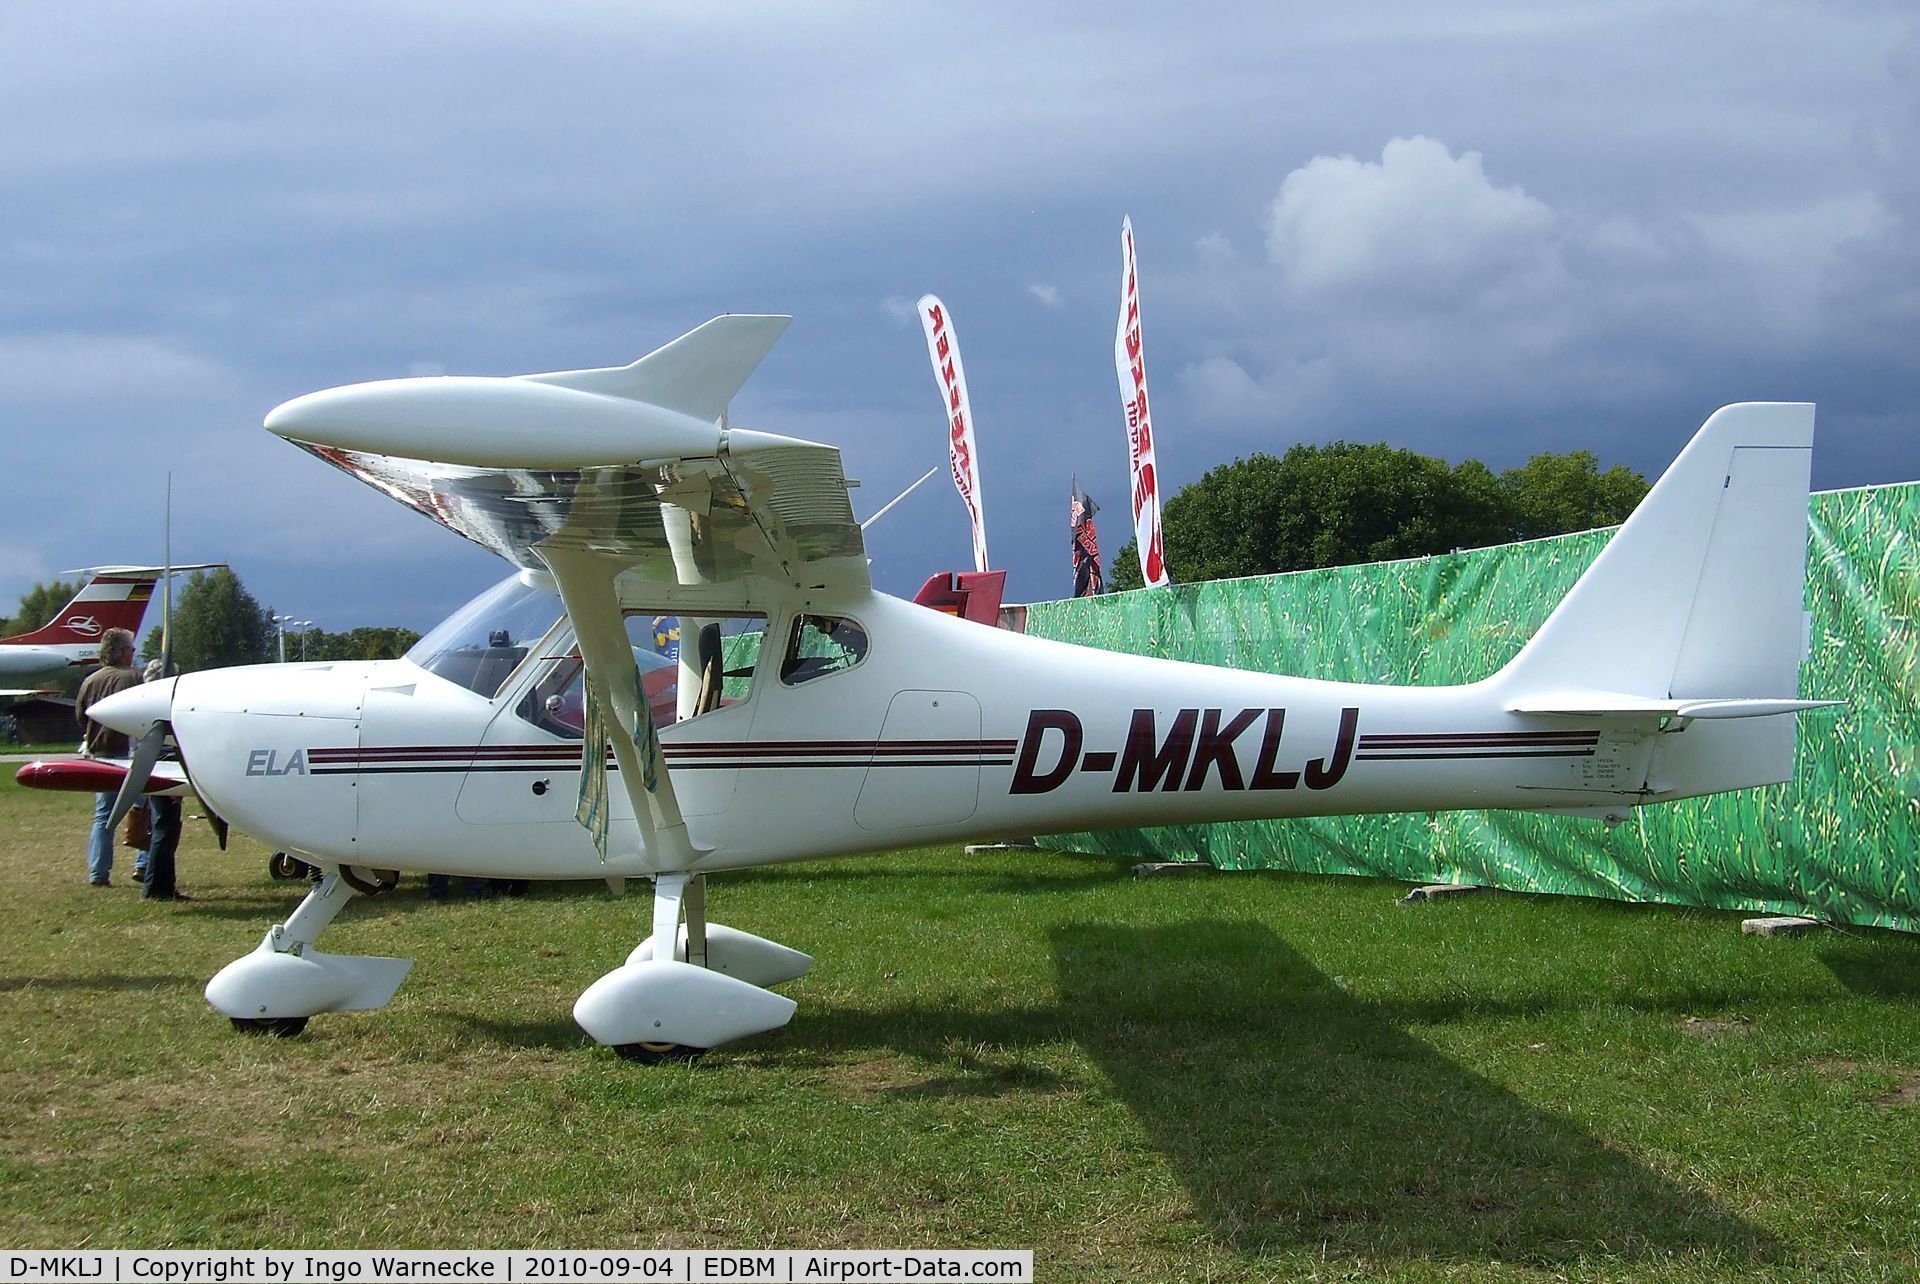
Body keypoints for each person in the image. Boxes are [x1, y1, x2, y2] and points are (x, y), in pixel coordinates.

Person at [73, 627, 141, 886]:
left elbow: (81, 717)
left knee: (104, 817)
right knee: (142, 810)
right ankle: (143, 864)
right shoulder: (134, 678)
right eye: (131, 649)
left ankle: (98, 871)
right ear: (123, 652)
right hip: (131, 754)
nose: (133, 654)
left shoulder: (90, 681)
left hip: (100, 754)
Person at [138, 658, 187, 900]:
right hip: (162, 768)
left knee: (166, 828)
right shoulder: (159, 711)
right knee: (164, 830)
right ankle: (157, 888)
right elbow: (166, 746)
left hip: (156, 765)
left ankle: (161, 886)